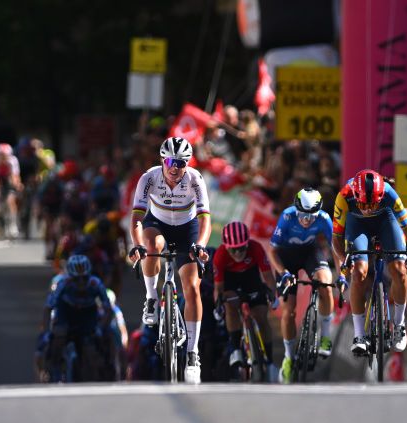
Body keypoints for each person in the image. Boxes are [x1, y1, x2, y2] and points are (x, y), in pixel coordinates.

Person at [128, 136, 212, 385]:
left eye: (182, 162)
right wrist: (138, 244)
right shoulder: (149, 178)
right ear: (162, 160)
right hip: (158, 224)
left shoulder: (195, 179)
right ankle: (152, 298)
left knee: (192, 287)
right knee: (152, 246)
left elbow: (205, 218)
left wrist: (201, 246)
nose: (175, 167)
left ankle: (192, 355)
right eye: (170, 161)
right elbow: (137, 218)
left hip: (188, 229)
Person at [331, 169, 407, 355]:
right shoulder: (344, 195)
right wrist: (343, 261)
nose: (368, 209)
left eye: (372, 204)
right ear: (355, 195)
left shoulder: (389, 193)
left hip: (385, 221)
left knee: (399, 270)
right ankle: (359, 335)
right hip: (357, 225)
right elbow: (336, 238)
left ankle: (399, 324)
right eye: (362, 203)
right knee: (358, 272)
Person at [268, 187, 339, 383]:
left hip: (310, 252)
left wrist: (341, 275)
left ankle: (325, 336)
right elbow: (272, 252)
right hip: (286, 257)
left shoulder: (324, 219)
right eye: (303, 214)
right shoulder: (287, 217)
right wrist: (283, 273)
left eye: (311, 216)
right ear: (295, 208)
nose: (306, 220)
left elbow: (336, 249)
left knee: (325, 284)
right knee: (288, 311)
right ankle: (289, 358)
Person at [212, 221, 278, 376]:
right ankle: (235, 348)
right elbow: (218, 289)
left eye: (241, 248)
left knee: (261, 316)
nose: (237, 254)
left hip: (251, 278)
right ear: (227, 247)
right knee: (230, 306)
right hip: (230, 281)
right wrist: (218, 304)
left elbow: (268, 277)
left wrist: (272, 295)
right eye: (233, 250)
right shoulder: (220, 255)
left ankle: (269, 360)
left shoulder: (256, 248)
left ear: (247, 244)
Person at [43, 254, 115, 382]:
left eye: (84, 278)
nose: (81, 282)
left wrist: (101, 328)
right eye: (76, 279)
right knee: (58, 335)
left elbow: (109, 309)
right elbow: (48, 308)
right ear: (70, 277)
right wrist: (48, 332)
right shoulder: (63, 283)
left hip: (88, 315)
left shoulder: (95, 283)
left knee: (101, 338)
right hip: (66, 313)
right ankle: (53, 368)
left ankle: (107, 369)